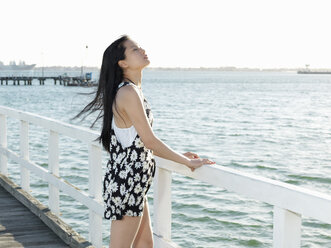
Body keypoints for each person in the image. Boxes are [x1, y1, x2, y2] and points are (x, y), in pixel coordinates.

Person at [71, 34, 215, 248]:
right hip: (128, 181)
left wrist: (177, 155)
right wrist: (188, 163)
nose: (143, 51)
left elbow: (137, 142)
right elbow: (149, 140)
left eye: (140, 47)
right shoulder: (128, 92)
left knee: (146, 244)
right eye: (135, 50)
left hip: (134, 181)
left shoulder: (130, 90)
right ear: (123, 63)